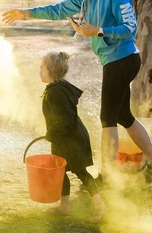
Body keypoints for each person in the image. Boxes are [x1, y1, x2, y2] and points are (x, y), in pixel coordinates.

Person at [2, 0, 152, 187]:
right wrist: (25, 13)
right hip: (113, 61)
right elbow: (58, 9)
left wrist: (98, 31)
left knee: (107, 118)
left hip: (123, 60)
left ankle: (106, 177)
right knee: (123, 116)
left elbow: (131, 28)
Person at [39, 52, 103, 221]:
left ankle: (99, 206)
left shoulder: (56, 92)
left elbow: (64, 119)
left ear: (50, 71)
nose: (39, 71)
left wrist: (52, 133)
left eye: (42, 68)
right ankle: (65, 206)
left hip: (71, 139)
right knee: (60, 171)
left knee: (81, 171)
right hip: (64, 139)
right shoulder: (56, 89)